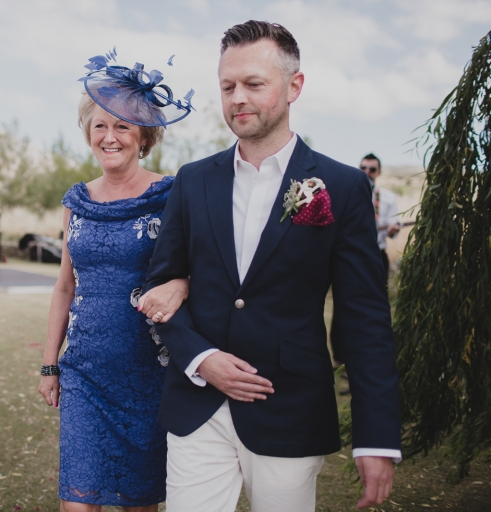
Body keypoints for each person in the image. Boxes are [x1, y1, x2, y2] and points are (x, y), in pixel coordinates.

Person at [139, 21, 401, 512]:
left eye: (253, 84)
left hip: (289, 406)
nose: (238, 97)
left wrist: (376, 438)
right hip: (197, 406)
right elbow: (159, 287)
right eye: (227, 86)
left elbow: (364, 318)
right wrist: (200, 359)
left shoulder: (341, 188)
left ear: (293, 86)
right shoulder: (192, 182)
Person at [38, 51, 193, 512]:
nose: (110, 136)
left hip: (149, 370)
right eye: (100, 126)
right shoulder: (76, 201)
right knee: (76, 503)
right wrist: (51, 365)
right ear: (88, 133)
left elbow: (194, 270)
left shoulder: (171, 195)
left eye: (123, 126)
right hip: (84, 369)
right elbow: (65, 287)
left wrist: (182, 283)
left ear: (144, 136)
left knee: (137, 503)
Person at [360, 153, 400, 276]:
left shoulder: (389, 197)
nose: (367, 172)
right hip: (352, 253)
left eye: (372, 169)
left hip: (377, 253)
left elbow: (393, 226)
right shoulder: (348, 195)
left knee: (379, 293)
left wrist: (393, 229)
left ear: (379, 172)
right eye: (363, 168)